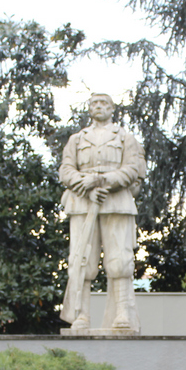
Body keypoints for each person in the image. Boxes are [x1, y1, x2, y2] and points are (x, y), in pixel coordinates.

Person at [59, 93, 146, 332]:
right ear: (89, 109)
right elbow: (66, 170)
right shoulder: (76, 139)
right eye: (94, 103)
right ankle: (81, 316)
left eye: (104, 103)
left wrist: (104, 182)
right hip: (82, 203)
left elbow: (132, 169)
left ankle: (123, 315)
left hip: (116, 200)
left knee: (120, 259)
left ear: (112, 109)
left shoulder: (125, 138)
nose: (99, 107)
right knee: (81, 260)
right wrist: (86, 188)